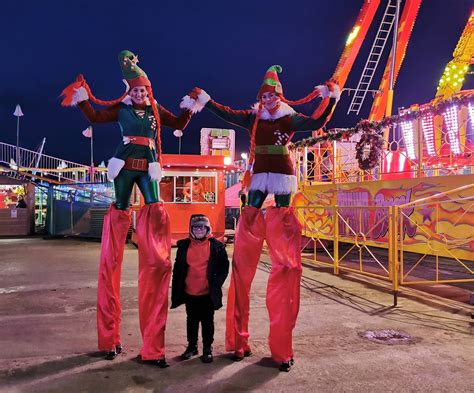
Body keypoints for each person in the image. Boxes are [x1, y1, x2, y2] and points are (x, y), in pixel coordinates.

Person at [180, 65, 340, 371]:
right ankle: (239, 342)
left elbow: (318, 120)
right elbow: (227, 114)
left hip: (282, 176)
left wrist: (331, 98)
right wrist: (208, 100)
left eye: (272, 95)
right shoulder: (254, 117)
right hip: (257, 177)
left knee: (282, 228)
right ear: (261, 97)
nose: (267, 99)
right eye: (264, 96)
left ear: (279, 96)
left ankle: (282, 350)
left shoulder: (289, 117)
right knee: (250, 218)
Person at [61, 50, 194, 368]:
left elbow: (178, 122)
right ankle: (109, 339)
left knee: (154, 210)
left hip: (148, 166)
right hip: (123, 168)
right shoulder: (120, 109)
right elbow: (94, 116)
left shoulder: (156, 111)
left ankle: (152, 344)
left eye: (143, 90)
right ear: (128, 91)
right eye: (135, 90)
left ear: (148, 91)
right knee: (119, 214)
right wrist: (82, 98)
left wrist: (190, 108)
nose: (139, 93)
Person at [171, 214, 229, 363]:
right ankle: (192, 346)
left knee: (207, 321)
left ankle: (207, 348)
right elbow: (178, 268)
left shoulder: (216, 246)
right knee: (191, 320)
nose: (198, 230)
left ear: (207, 228)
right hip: (190, 292)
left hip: (207, 293)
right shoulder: (184, 246)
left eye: (201, 227)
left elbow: (224, 266)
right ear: (190, 229)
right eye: (195, 227)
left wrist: (216, 283)